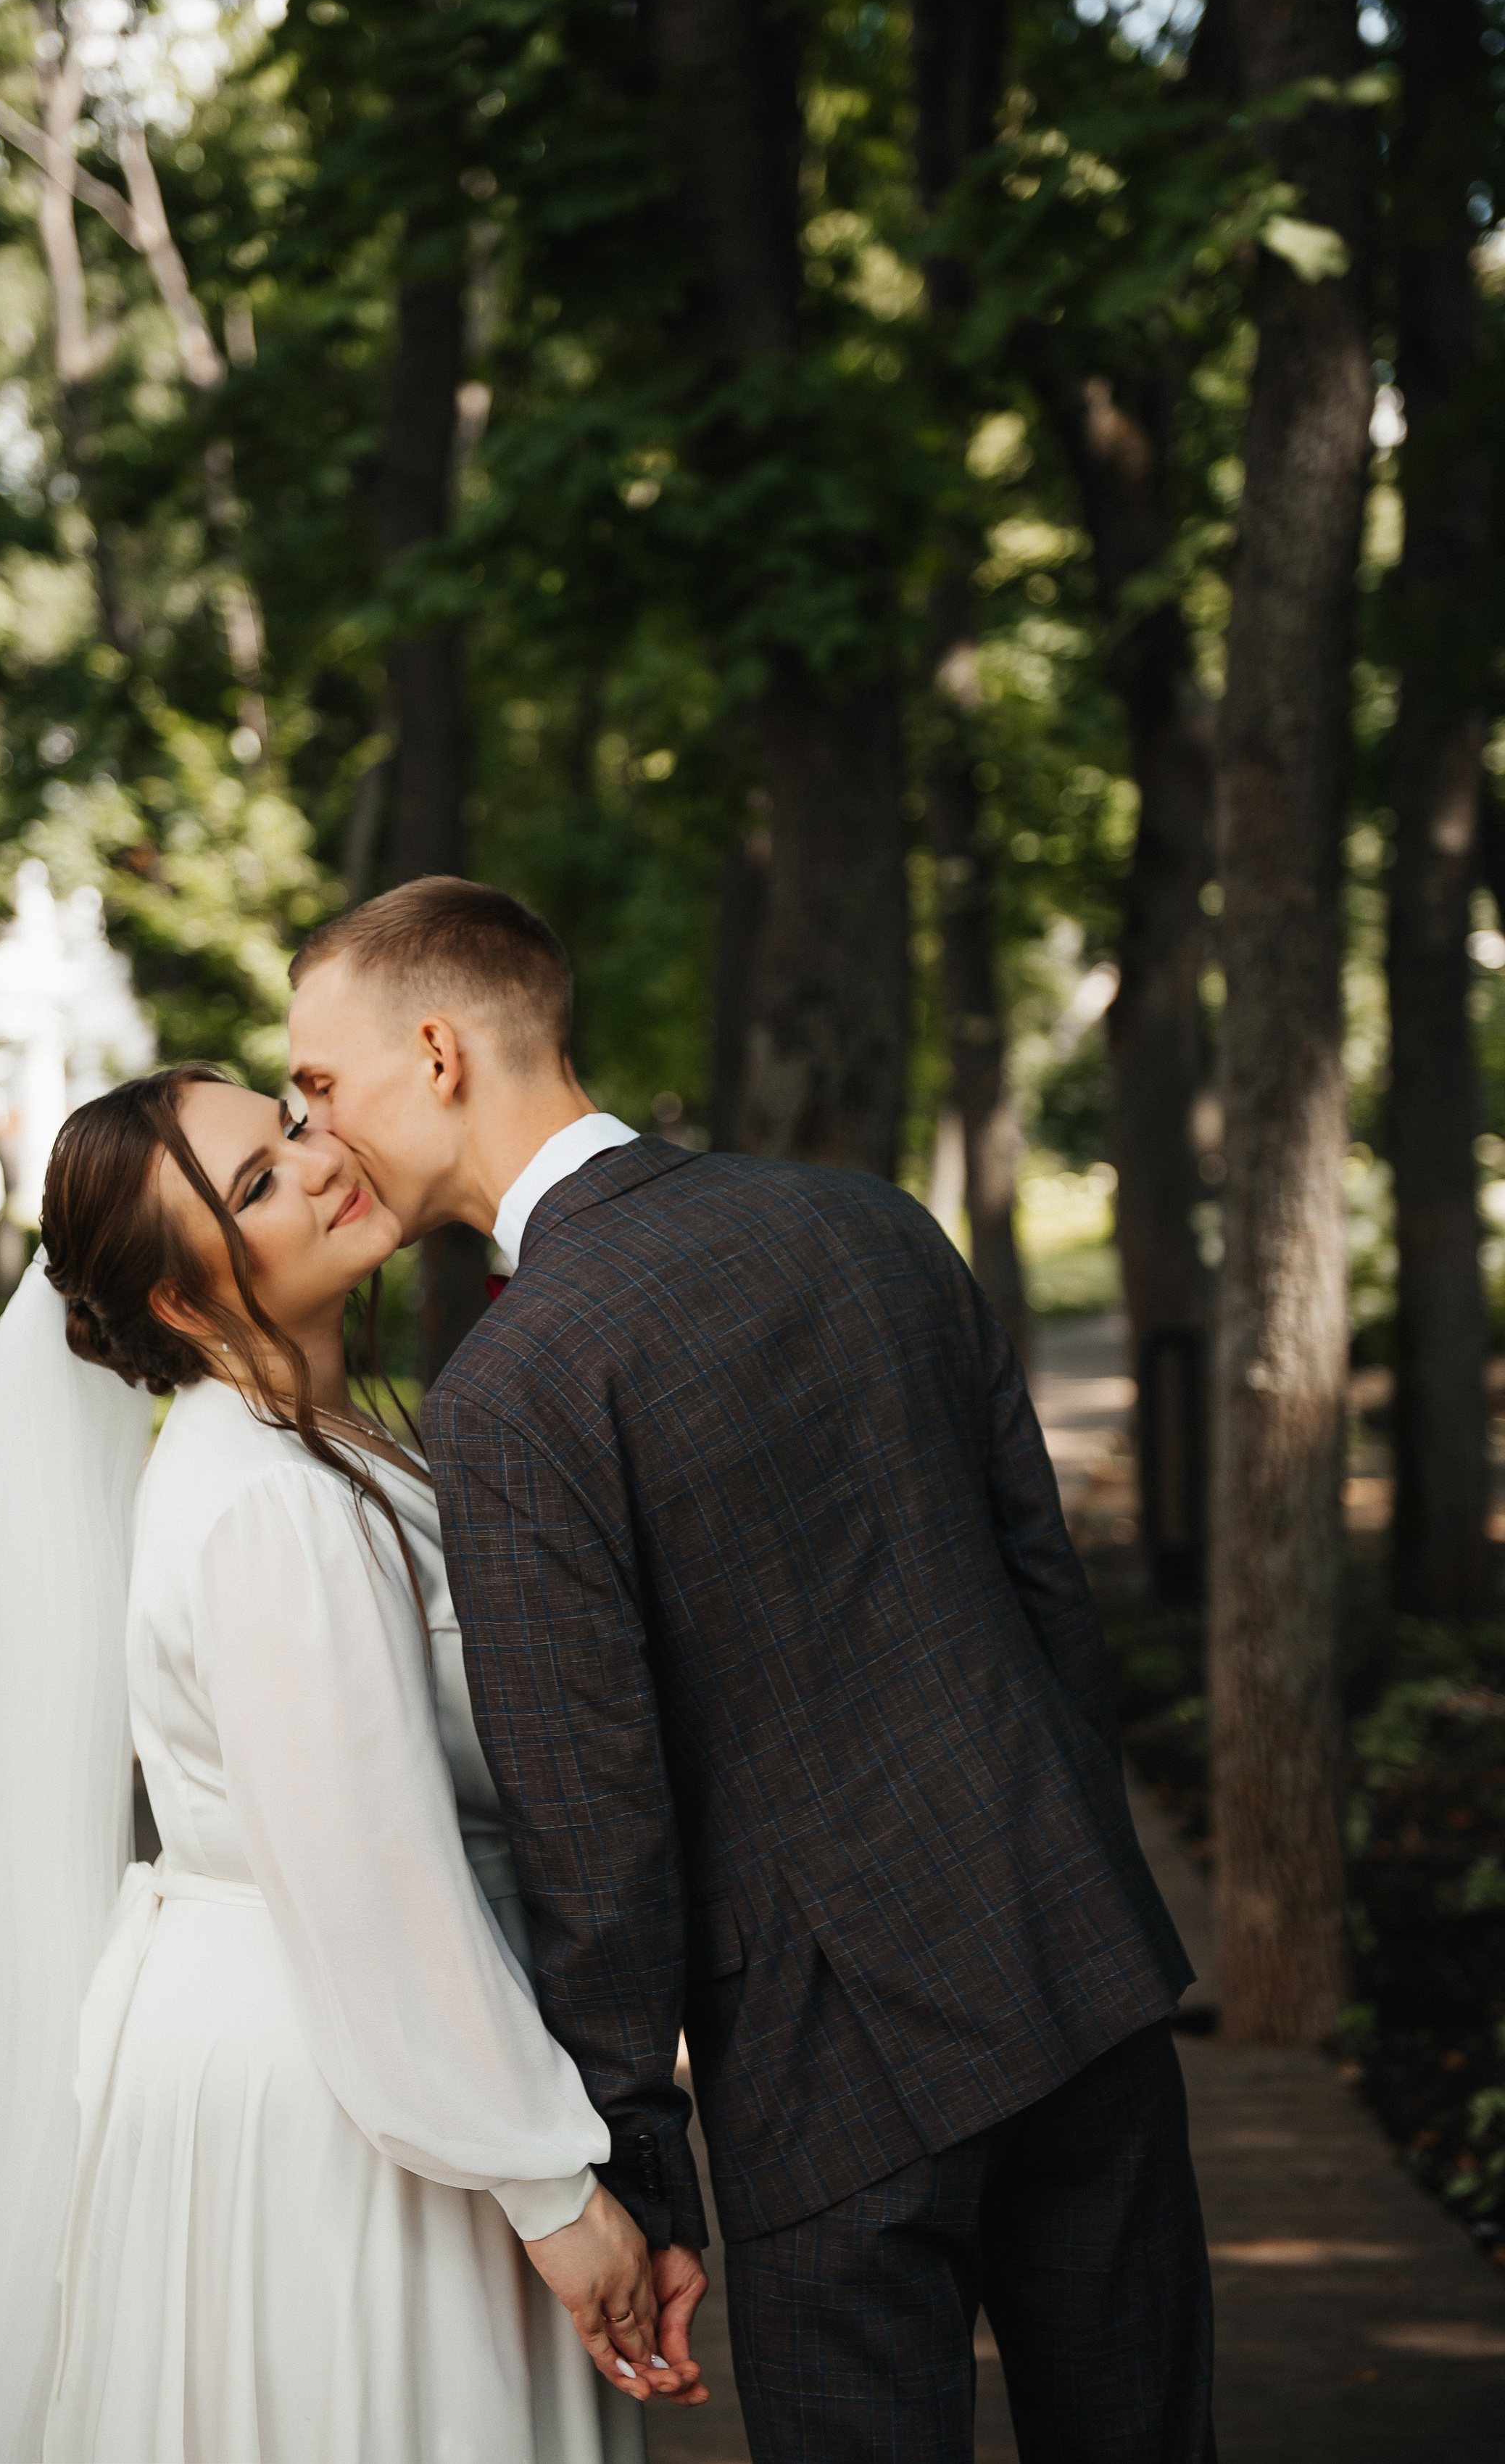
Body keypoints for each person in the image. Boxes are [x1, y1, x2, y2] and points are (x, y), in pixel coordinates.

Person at [286, 876, 1217, 2464]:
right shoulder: (870, 1221)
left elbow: (594, 1818)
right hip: (1078, 1964)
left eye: (318, 1081)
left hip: (826, 2064)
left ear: (436, 1053)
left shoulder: (514, 1385)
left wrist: (638, 2169)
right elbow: (1044, 1596)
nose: (315, 1129)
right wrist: (1082, 1879)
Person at [0, 1062, 706, 2463]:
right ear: (187, 1305)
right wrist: (555, 2196)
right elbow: (376, 1889)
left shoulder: (304, 1450)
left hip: (360, 2058)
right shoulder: (273, 1509)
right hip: (359, 2091)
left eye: (292, 1128)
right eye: (256, 1185)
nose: (321, 1163)